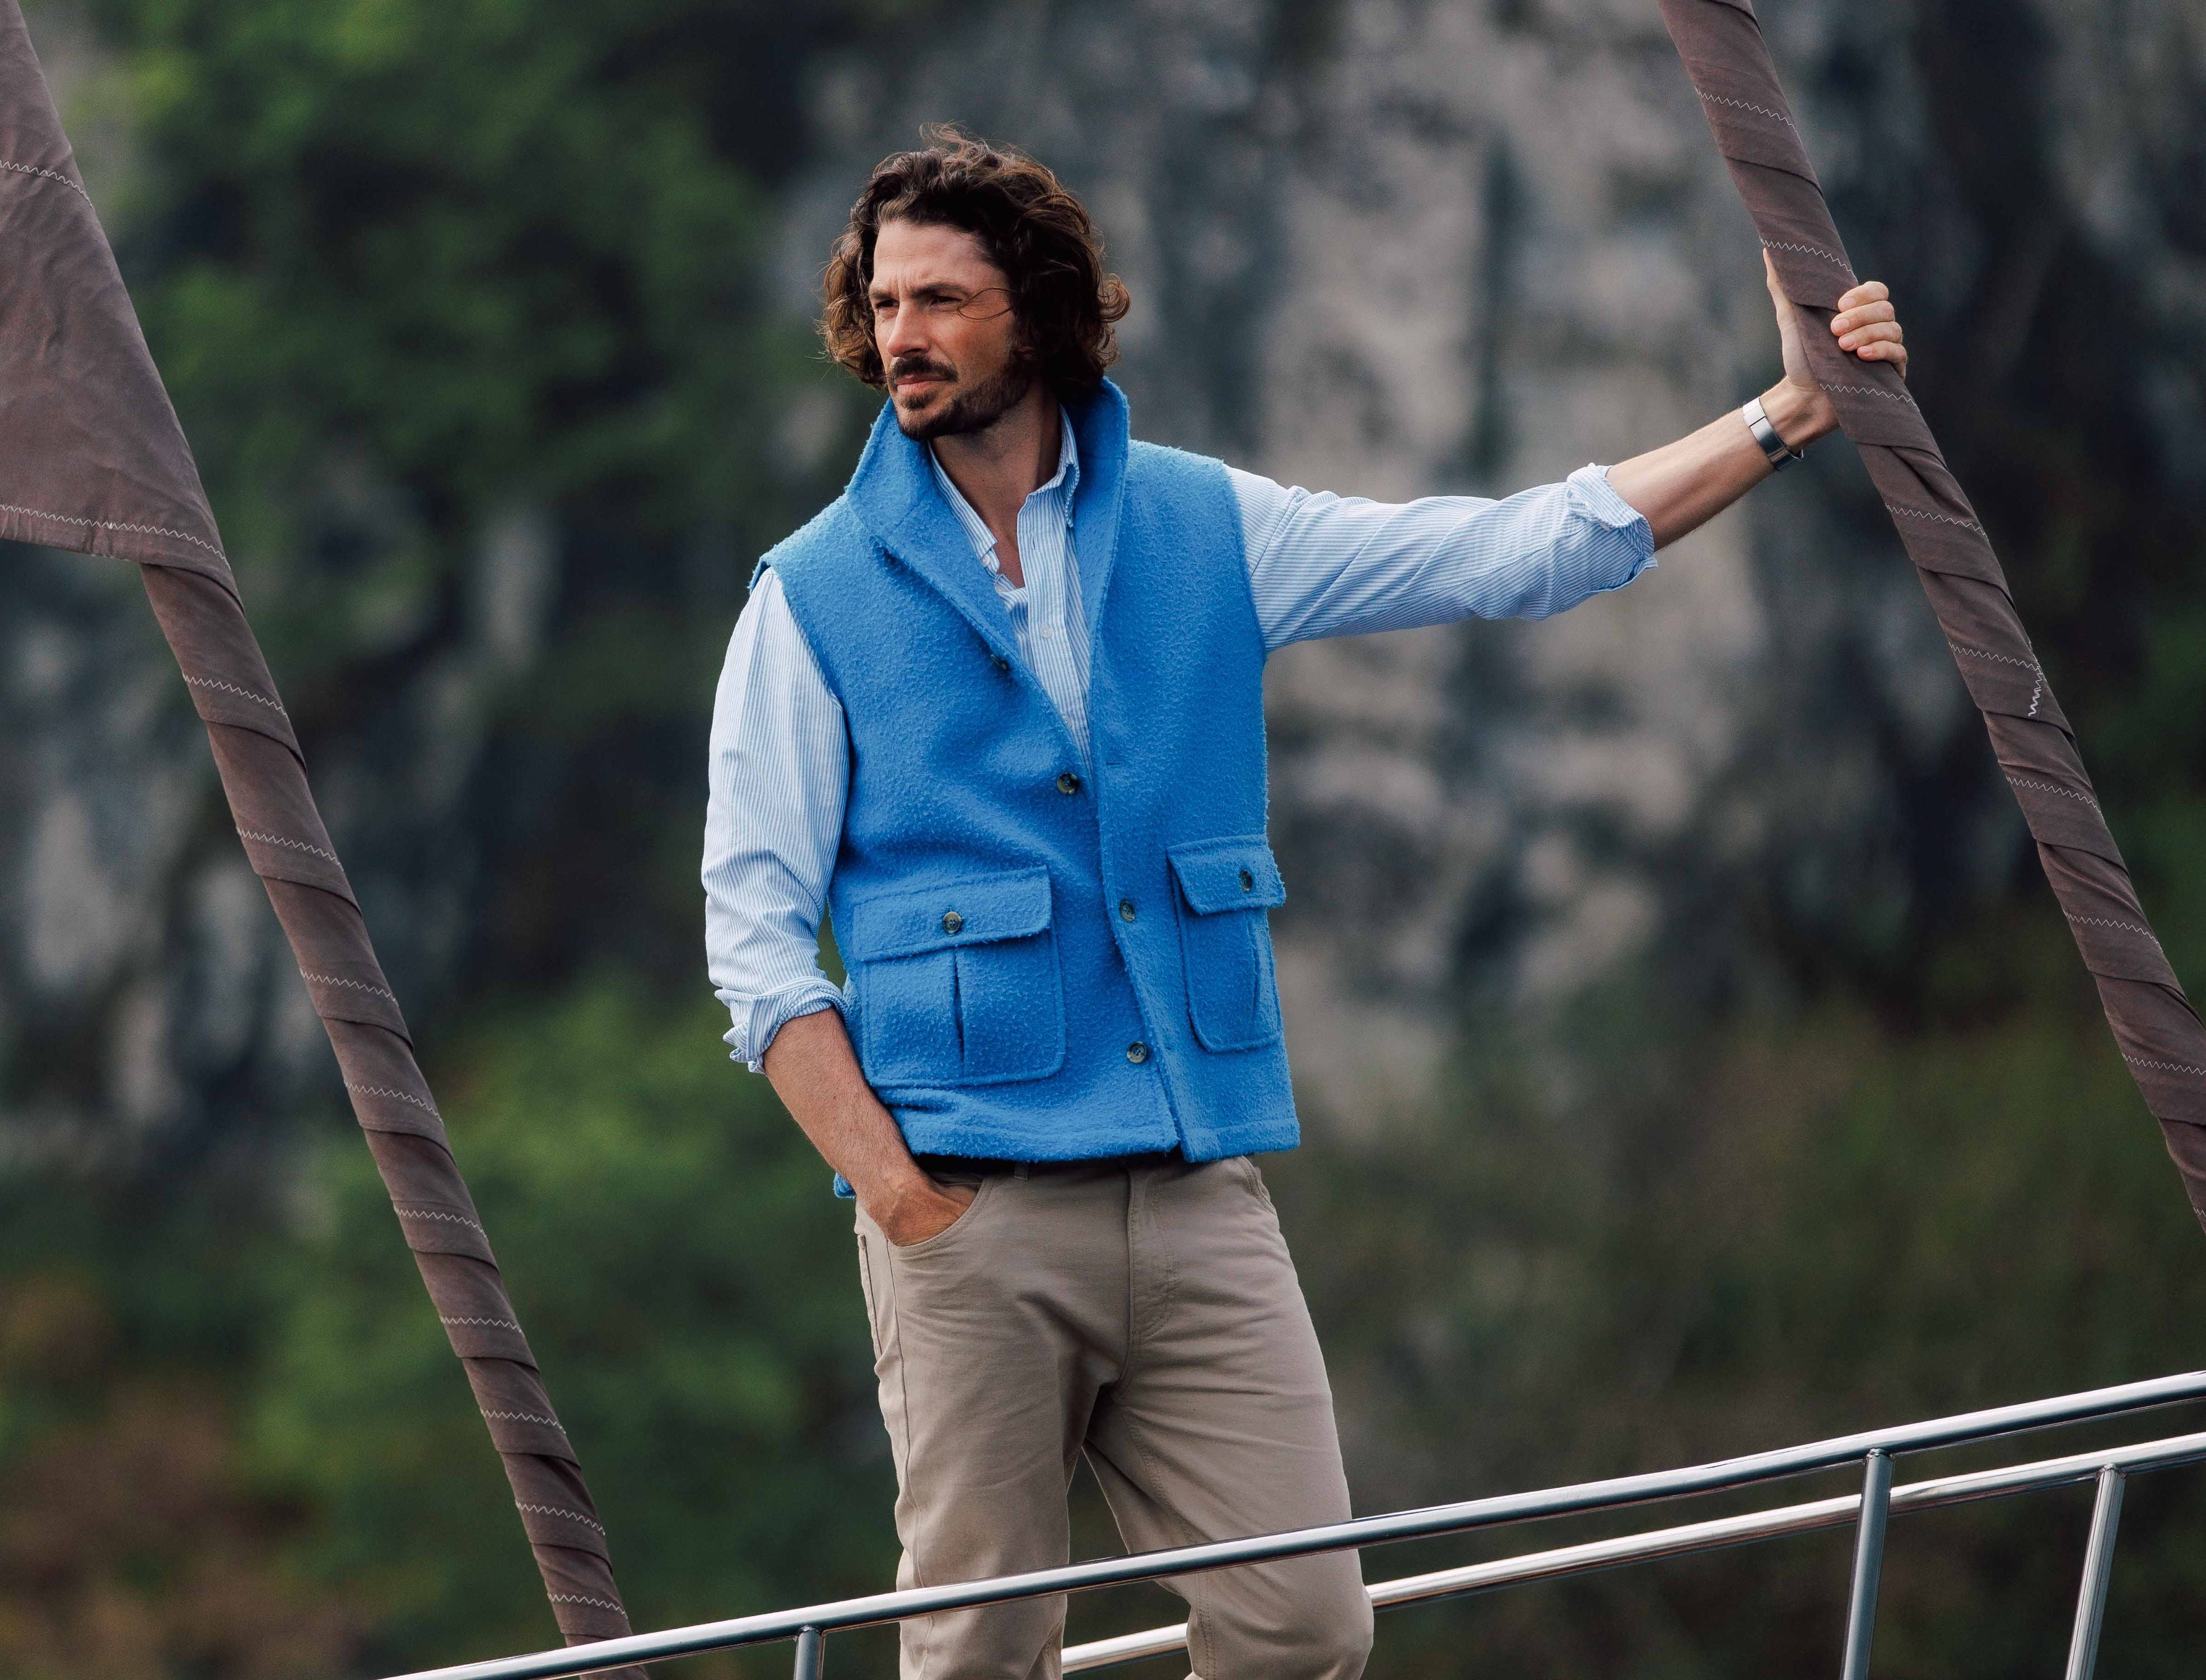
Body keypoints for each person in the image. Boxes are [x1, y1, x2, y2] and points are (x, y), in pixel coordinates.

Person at [701, 128, 1905, 1680]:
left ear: (1043, 308)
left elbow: (1504, 553)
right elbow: (751, 938)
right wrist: (903, 1206)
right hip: (967, 1214)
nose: (900, 338)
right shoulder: (810, 596)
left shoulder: (1206, 528)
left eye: (939, 299)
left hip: (1200, 1198)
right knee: (976, 1655)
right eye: (880, 304)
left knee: (1302, 1630)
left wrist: (1789, 409)